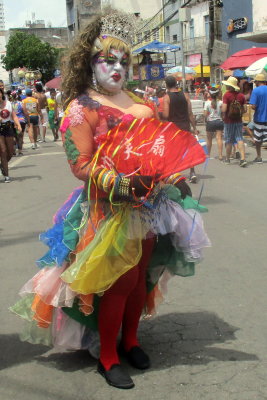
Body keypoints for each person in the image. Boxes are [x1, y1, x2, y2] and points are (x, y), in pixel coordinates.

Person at [11, 9, 209, 390]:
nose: (116, 68)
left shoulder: (142, 104)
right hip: (107, 211)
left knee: (141, 280)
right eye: (108, 60)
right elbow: (81, 166)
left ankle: (131, 340)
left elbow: (157, 151)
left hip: (150, 208)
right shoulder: (81, 108)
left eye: (123, 61)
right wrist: (118, 183)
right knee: (119, 283)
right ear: (91, 63)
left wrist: (173, 175)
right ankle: (107, 356)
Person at [163, 75, 199, 183]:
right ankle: (192, 172)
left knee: (173, 151)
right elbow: (190, 113)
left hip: (173, 128)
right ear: (176, 83)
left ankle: (174, 173)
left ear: (166, 85)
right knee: (188, 149)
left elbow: (166, 114)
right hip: (185, 126)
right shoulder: (186, 95)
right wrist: (194, 128)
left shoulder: (167, 97)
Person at [221, 76, 247, 167]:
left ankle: (227, 159)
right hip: (238, 121)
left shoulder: (226, 95)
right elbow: (245, 110)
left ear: (229, 86)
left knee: (229, 140)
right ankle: (243, 159)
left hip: (229, 121)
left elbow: (224, 109)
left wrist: (223, 112)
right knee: (239, 138)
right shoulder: (241, 95)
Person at [0, 88, 21, 182]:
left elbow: (14, 115)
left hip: (8, 128)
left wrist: (18, 124)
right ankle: (6, 175)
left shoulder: (8, 103)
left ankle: (2, 165)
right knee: (3, 151)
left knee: (11, 151)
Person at [249, 73, 267, 163]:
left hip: (259, 118)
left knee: (258, 139)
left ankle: (259, 156)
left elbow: (253, 106)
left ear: (257, 81)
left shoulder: (256, 91)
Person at [204, 87, 224, 160]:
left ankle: (208, 154)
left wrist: (206, 120)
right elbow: (222, 113)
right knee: (219, 138)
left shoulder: (207, 103)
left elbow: (205, 114)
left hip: (210, 122)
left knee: (209, 139)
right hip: (219, 121)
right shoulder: (221, 102)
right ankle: (220, 155)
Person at [11, 91, 27, 155]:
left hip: (12, 121)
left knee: (14, 136)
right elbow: (25, 112)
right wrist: (28, 121)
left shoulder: (10, 104)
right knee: (20, 136)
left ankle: (14, 150)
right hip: (21, 121)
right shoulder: (21, 103)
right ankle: (20, 151)